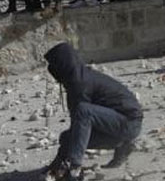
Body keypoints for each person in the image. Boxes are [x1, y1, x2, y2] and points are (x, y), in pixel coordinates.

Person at [42, 42, 142, 180]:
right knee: (66, 138)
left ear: (63, 64)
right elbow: (77, 128)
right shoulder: (77, 78)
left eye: (54, 65)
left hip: (129, 122)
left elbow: (81, 118)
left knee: (83, 112)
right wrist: (57, 162)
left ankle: (74, 168)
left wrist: (71, 160)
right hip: (119, 123)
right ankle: (123, 144)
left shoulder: (80, 83)